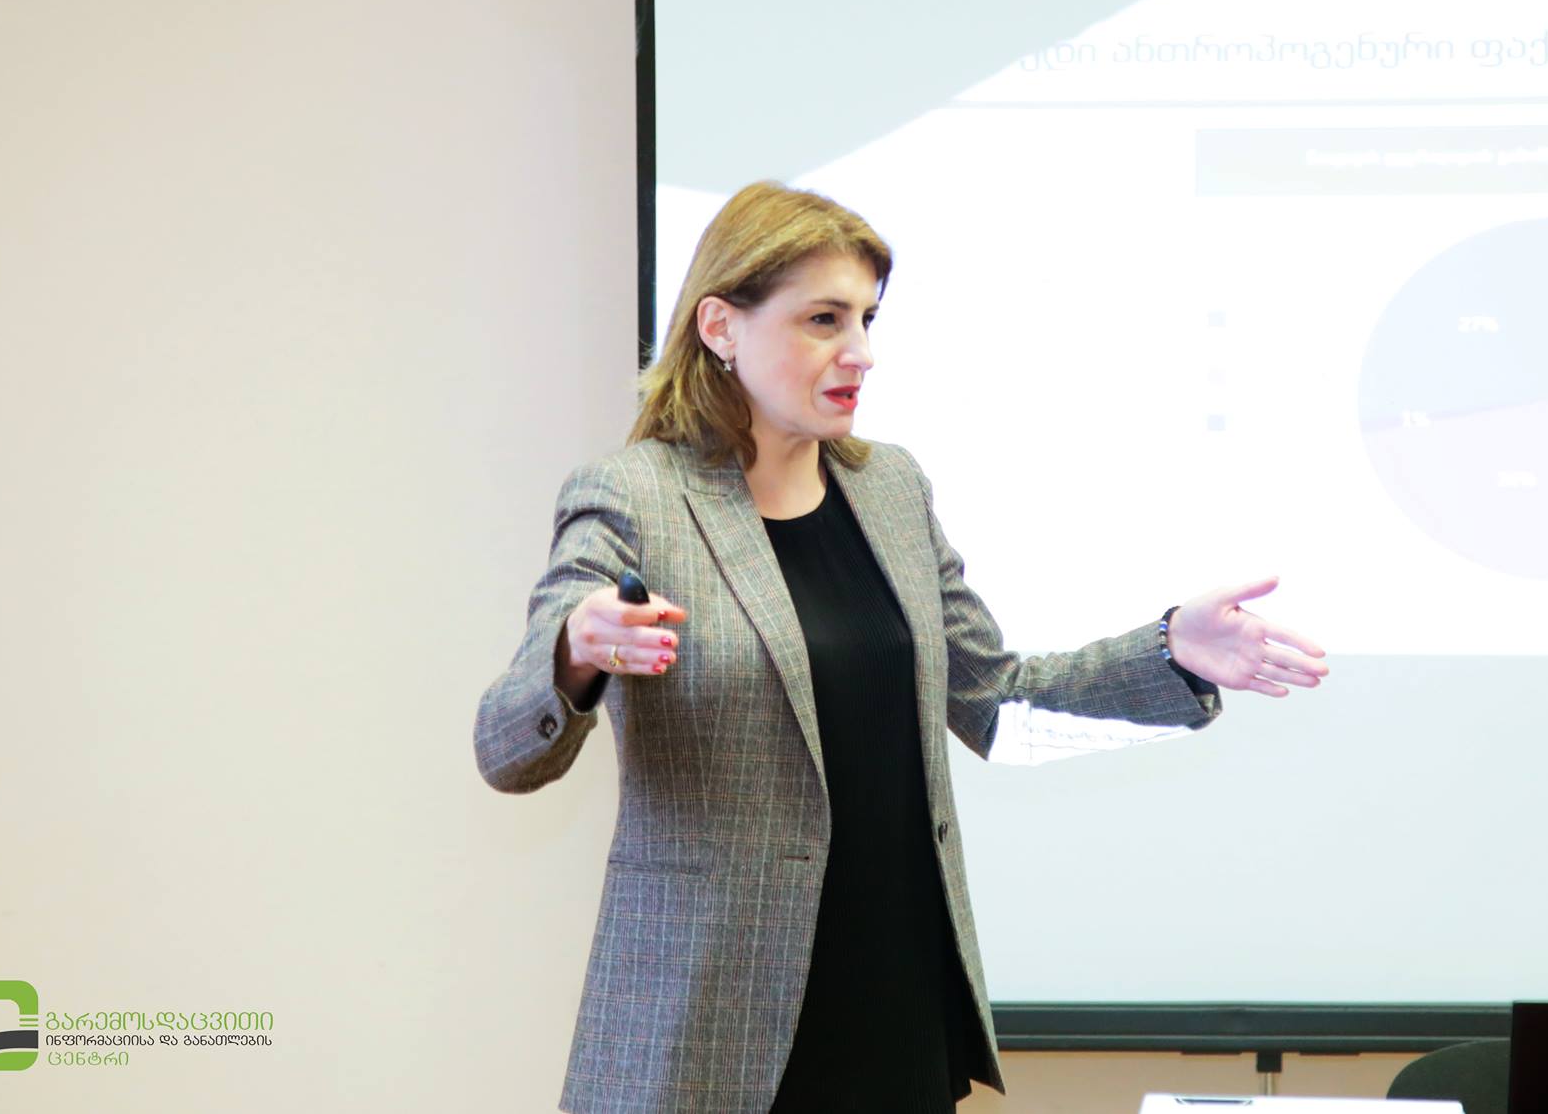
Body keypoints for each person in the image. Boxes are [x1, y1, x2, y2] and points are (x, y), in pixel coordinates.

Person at [474, 181, 1328, 1114]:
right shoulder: (634, 496)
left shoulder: (890, 489)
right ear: (721, 326)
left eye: (867, 319)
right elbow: (507, 748)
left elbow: (993, 696)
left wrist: (1169, 650)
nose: (860, 352)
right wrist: (575, 648)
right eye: (823, 319)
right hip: (708, 1026)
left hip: (893, 1005)